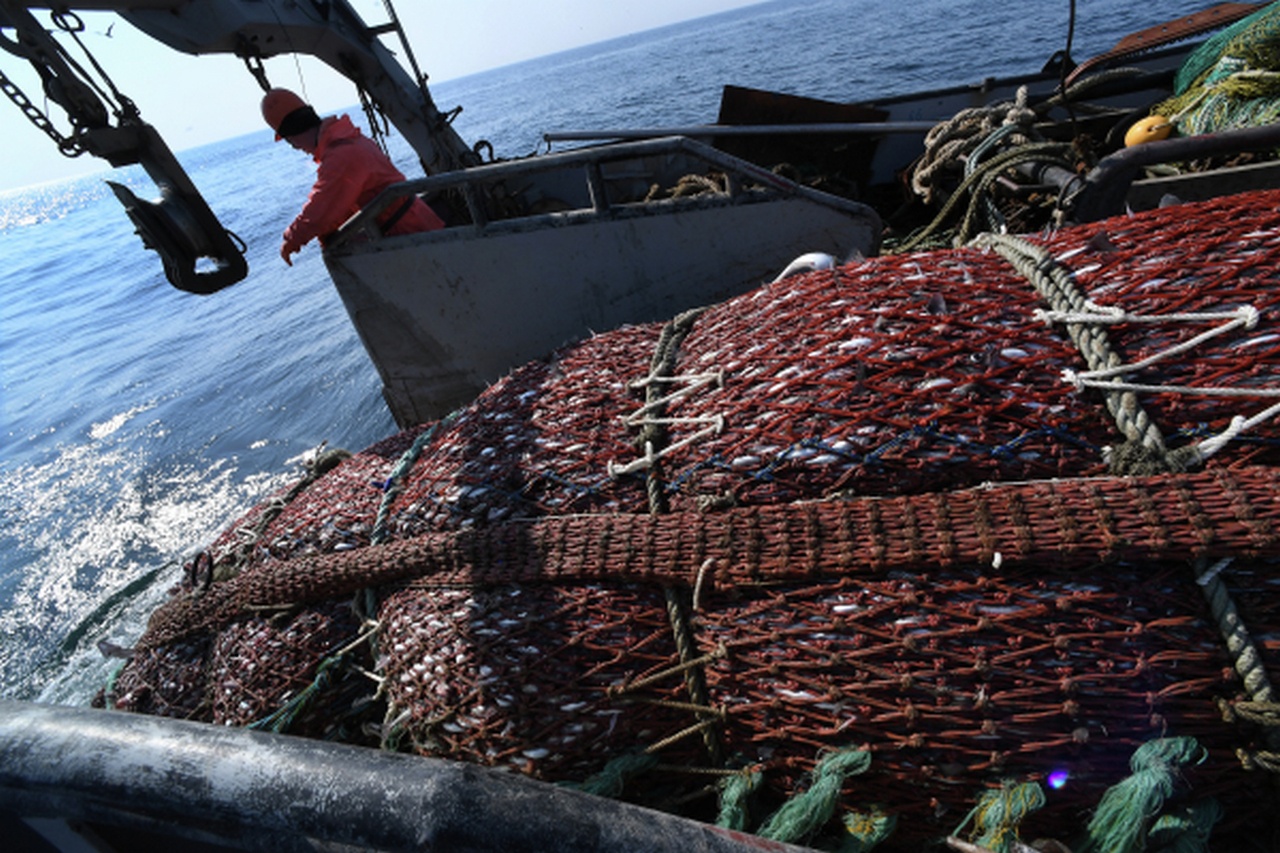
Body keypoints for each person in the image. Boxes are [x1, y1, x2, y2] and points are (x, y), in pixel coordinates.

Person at [261, 88, 445, 265]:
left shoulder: (341, 155)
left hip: (412, 234)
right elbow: (342, 203)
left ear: (296, 131)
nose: (295, 148)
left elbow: (322, 206)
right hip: (417, 228)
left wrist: (291, 239)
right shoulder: (349, 140)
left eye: (290, 141)